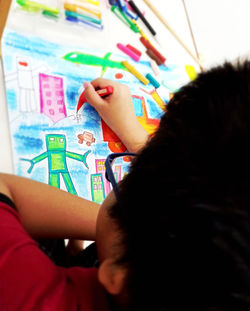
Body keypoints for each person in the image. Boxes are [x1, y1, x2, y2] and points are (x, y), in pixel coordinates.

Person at [0, 61, 250, 311]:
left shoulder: (37, 299)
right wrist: (135, 136)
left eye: (126, 178)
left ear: (115, 272)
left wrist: (108, 222)